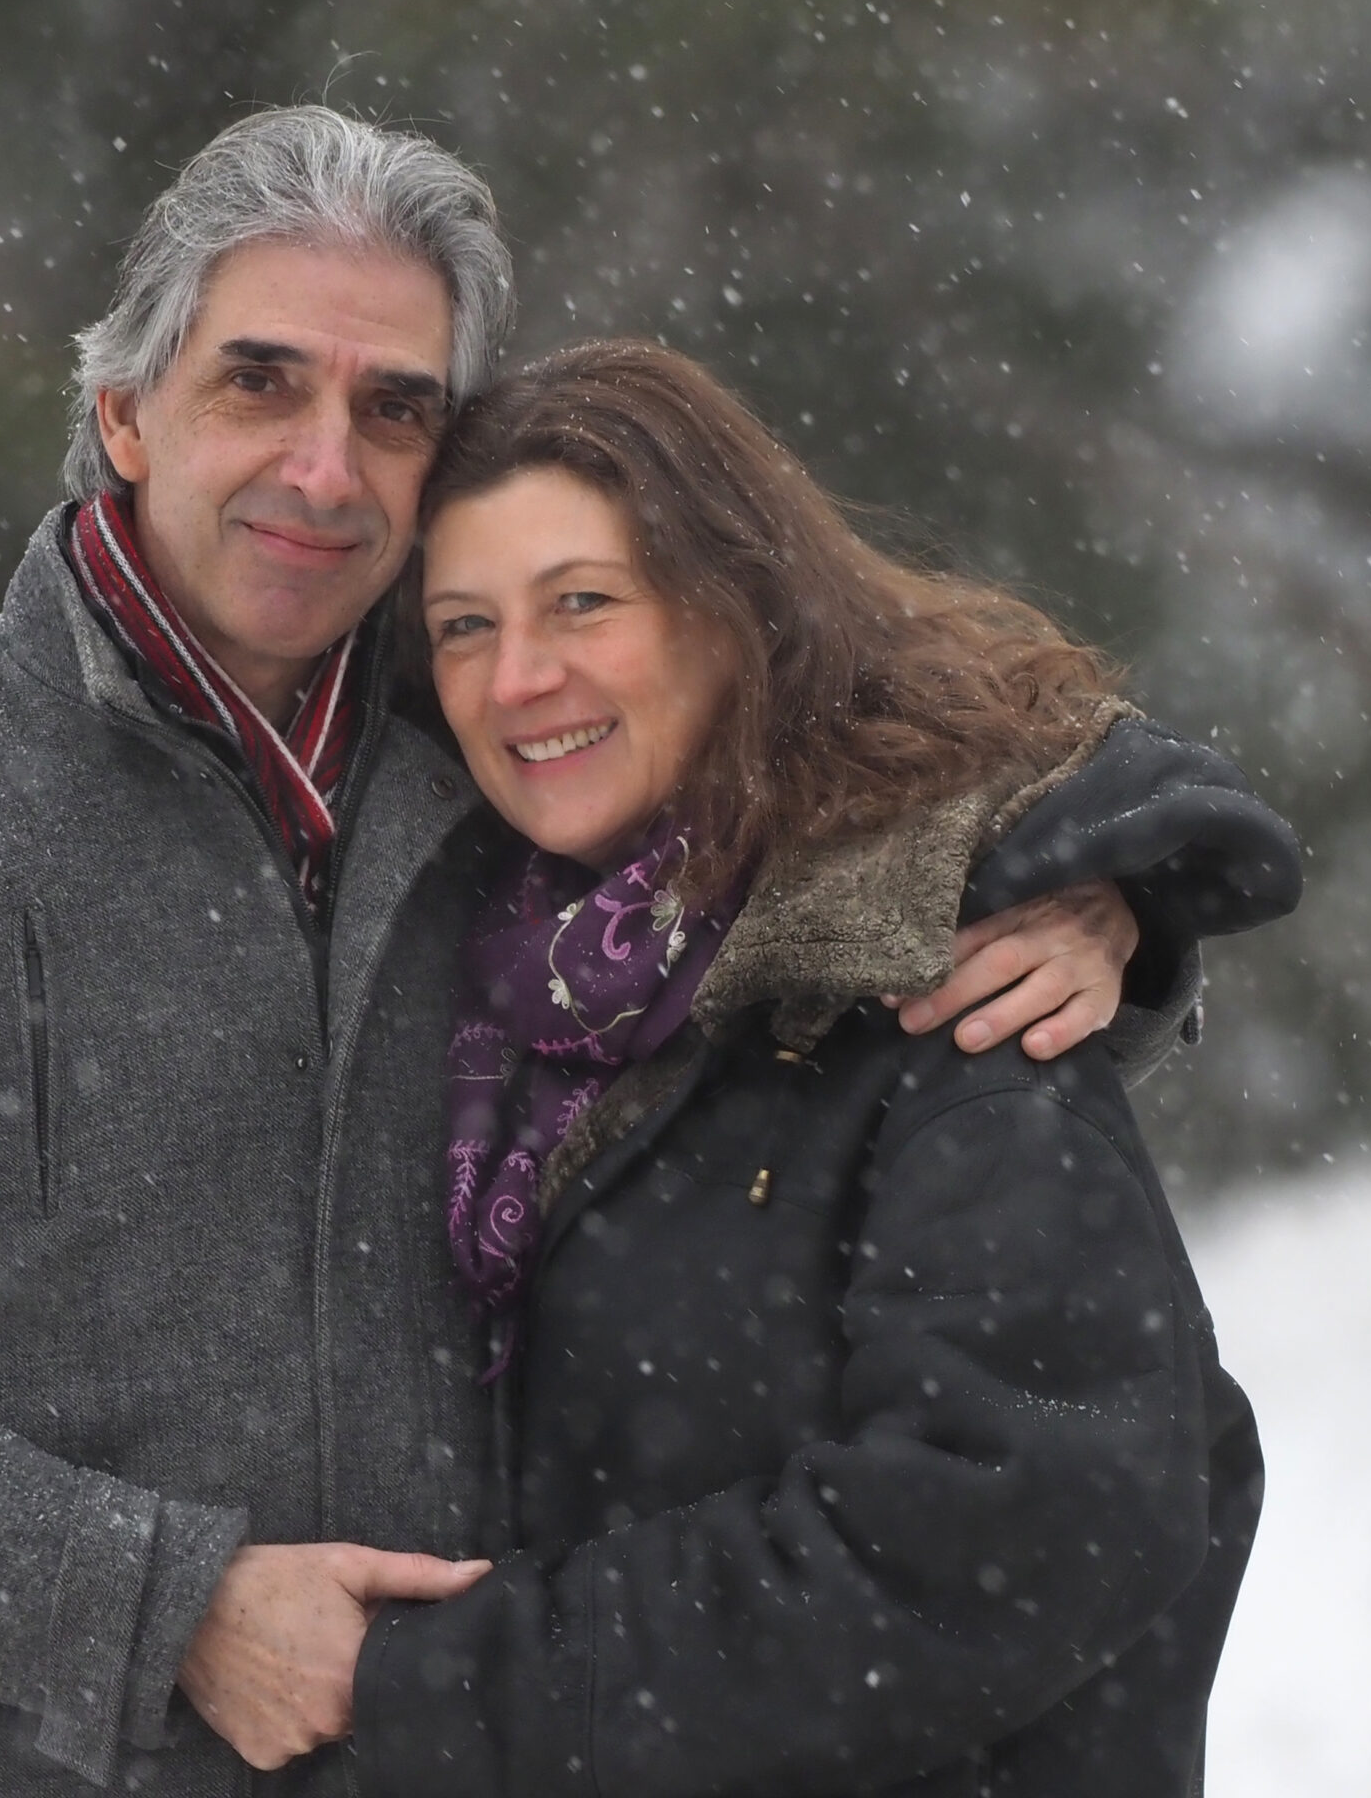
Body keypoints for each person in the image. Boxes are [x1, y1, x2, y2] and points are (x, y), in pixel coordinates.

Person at [0, 108, 1244, 1798]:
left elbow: (885, 734)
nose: (322, 465)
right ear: (124, 412)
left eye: (394, 409)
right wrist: (164, 1606)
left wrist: (1093, 892)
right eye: (260, 382)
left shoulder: (521, 765)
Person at [350, 338, 1301, 1797]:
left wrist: (442, 1692)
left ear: (732, 611)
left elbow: (1020, 1521)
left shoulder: (950, 989)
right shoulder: (469, 997)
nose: (520, 677)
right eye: (464, 625)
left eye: (582, 603)